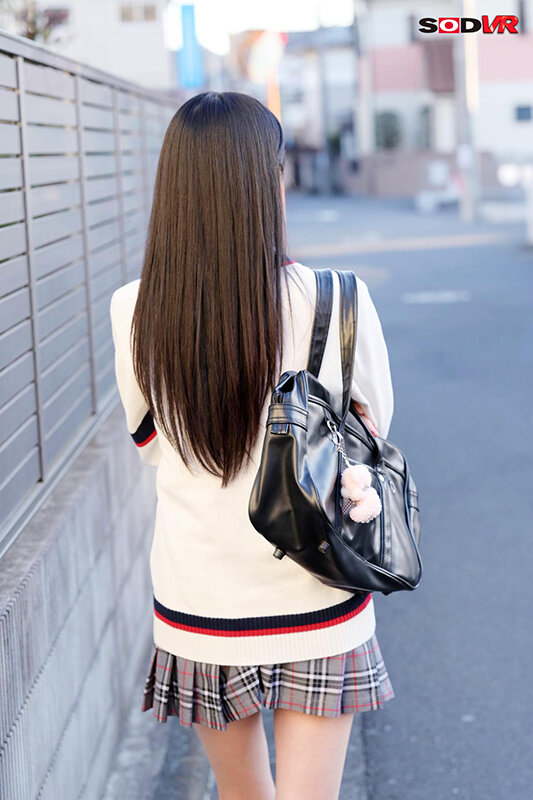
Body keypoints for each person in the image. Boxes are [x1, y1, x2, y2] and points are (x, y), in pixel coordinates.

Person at [109, 91, 395, 800]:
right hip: (318, 588)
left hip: (200, 601)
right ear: (271, 181)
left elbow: (152, 444)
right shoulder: (339, 298)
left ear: (174, 186)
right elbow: (373, 433)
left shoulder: (135, 309)